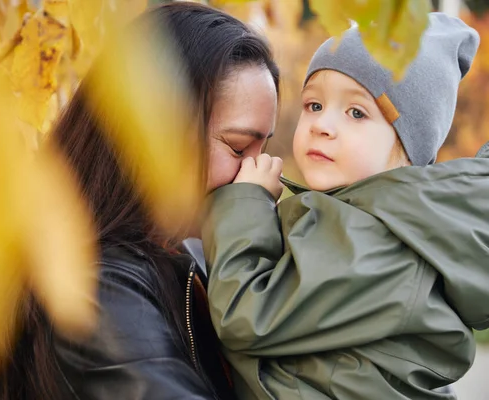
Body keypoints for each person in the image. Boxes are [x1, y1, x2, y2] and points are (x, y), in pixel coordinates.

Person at [0, 2, 279, 399]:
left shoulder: (189, 263)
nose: (260, 174)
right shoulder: (97, 289)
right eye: (239, 148)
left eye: (263, 149)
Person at [202, 12, 489, 400]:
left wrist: (244, 203)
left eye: (357, 112)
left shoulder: (376, 239)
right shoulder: (368, 221)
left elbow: (246, 315)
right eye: (314, 105)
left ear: (408, 151)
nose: (322, 125)